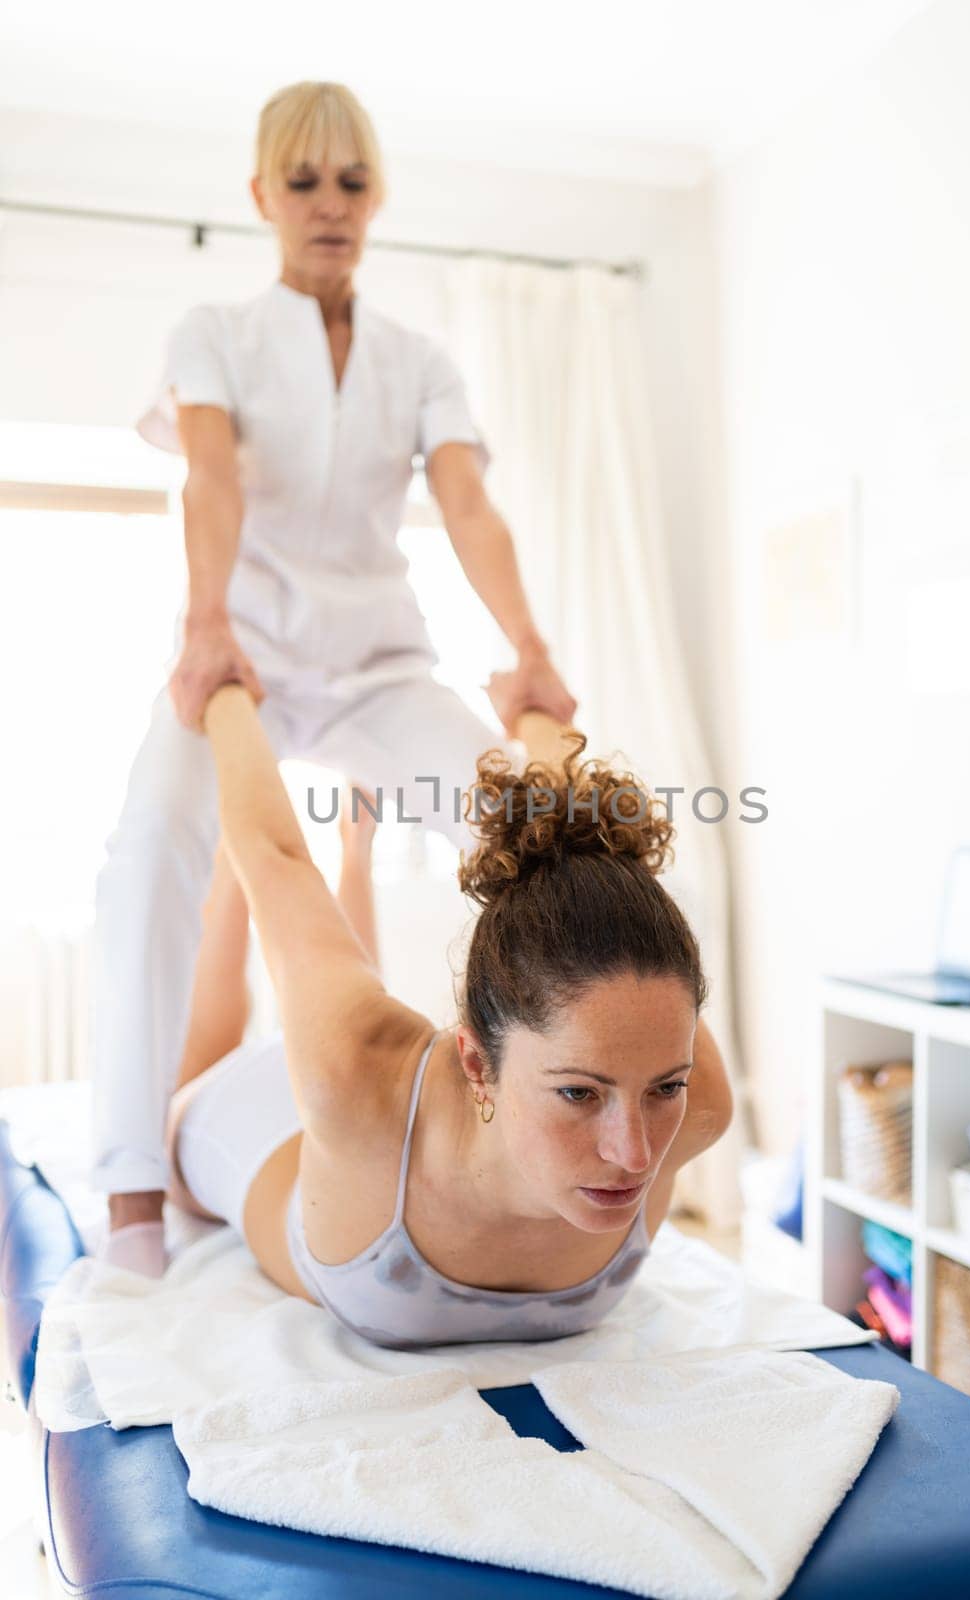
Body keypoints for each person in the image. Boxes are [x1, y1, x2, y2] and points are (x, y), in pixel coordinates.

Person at [92, 79, 577, 1273]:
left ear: (376, 197)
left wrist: (531, 650)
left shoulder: (418, 361)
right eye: (302, 182)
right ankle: (131, 1192)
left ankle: (531, 1124)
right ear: (262, 196)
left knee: (535, 829)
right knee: (148, 847)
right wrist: (205, 628)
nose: (328, 205)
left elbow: (466, 504)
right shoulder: (216, 333)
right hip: (237, 661)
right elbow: (211, 480)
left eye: (350, 182)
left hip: (376, 667)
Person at [162, 682, 733, 1348]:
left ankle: (358, 845)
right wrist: (226, 693)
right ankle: (326, 849)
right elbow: (279, 861)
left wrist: (535, 714)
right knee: (232, 1030)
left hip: (363, 1128)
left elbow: (594, 865)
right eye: (579, 1093)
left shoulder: (698, 1104)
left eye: (665, 1087)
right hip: (265, 1123)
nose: (633, 1154)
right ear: (475, 1064)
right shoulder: (353, 1075)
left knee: (341, 1014)